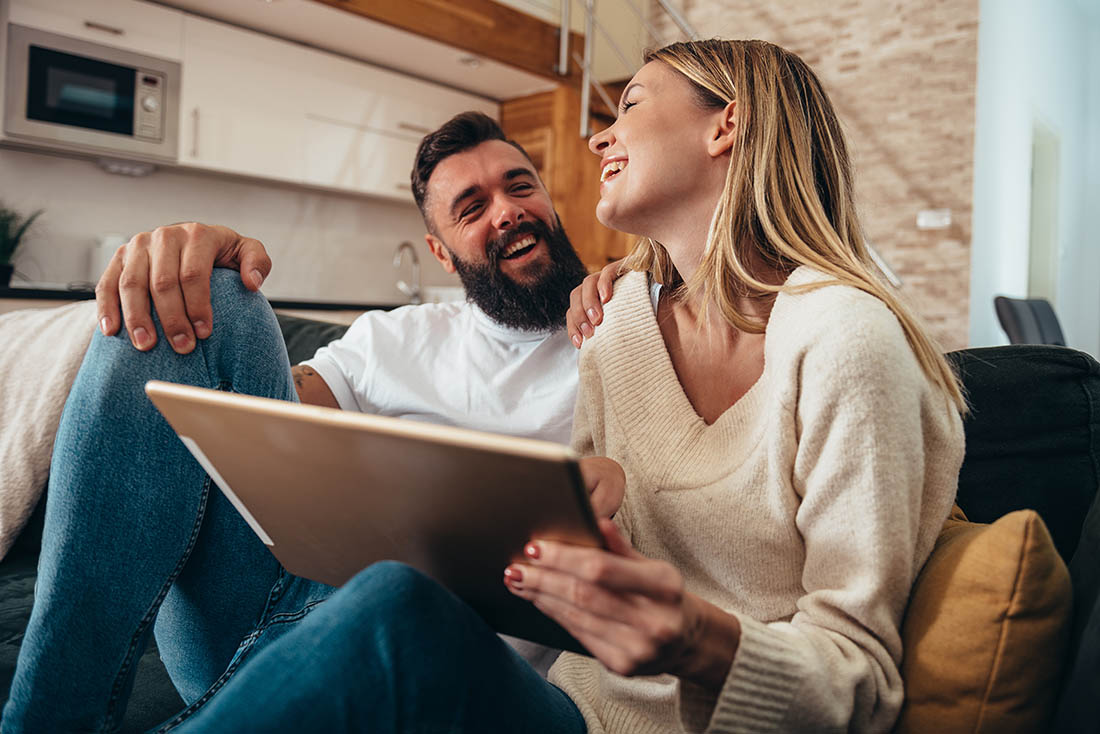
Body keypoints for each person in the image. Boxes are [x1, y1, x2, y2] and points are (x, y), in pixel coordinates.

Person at [151, 38, 969, 733]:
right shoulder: (617, 328)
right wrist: (578, 516)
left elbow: (862, 680)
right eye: (470, 205)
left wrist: (694, 639)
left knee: (397, 609)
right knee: (396, 595)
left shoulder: (846, 343)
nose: (597, 140)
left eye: (633, 105)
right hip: (560, 706)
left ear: (728, 124)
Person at [0, 112, 623, 733]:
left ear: (550, 201)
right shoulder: (396, 337)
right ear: (439, 252)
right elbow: (266, 403)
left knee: (401, 601)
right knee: (211, 298)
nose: (507, 211)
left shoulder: (628, 327)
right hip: (274, 608)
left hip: (437, 657)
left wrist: (647, 269)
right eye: (471, 207)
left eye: (520, 186)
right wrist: (193, 256)